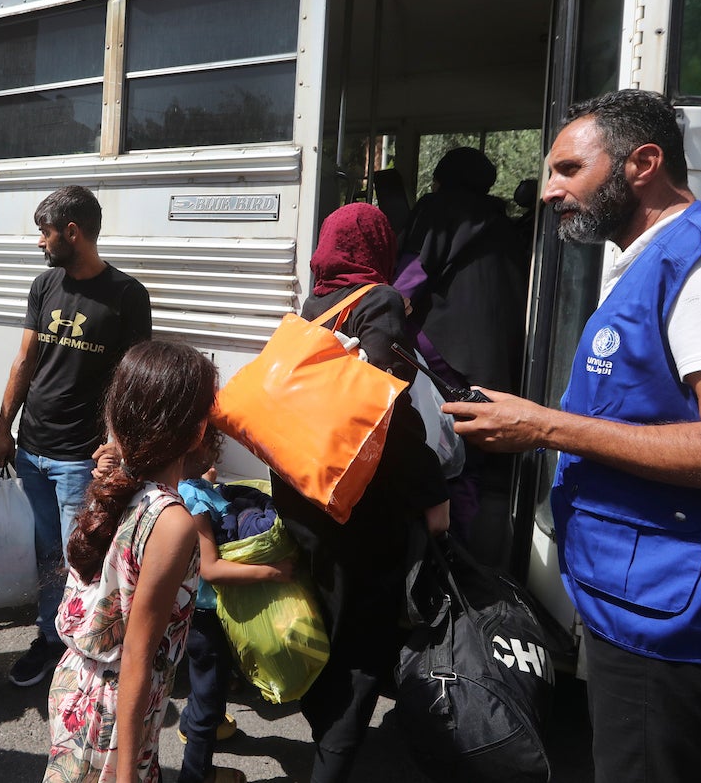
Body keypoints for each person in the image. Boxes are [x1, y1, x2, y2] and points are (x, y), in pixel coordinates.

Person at [446, 89, 701, 783]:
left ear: (642, 162)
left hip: (674, 616)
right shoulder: (656, 258)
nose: (548, 190)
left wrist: (543, 425)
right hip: (649, 597)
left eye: (567, 170)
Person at [277, 201, 450, 783]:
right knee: (361, 644)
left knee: (327, 619)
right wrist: (431, 493)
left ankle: (325, 726)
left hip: (303, 494)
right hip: (357, 508)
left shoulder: (317, 305)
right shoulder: (376, 302)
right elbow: (384, 412)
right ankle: (333, 752)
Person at [0, 185, 152, 687]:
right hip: (33, 446)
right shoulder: (44, 285)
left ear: (73, 232)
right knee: (45, 553)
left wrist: (118, 442)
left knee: (80, 557)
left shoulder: (127, 295)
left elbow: (134, 377)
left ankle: (85, 648)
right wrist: (3, 427)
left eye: (46, 232)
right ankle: (49, 638)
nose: (40, 242)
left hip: (80, 458)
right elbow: (26, 360)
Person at [44, 340, 213, 783]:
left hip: (79, 684)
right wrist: (126, 771)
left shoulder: (122, 482)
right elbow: (138, 653)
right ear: (197, 432)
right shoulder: (171, 521)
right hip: (114, 710)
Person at [395, 146, 525, 542]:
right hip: (492, 355)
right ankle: (466, 545)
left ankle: (440, 545)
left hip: (442, 348)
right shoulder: (502, 222)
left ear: (443, 178)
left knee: (441, 447)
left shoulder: (436, 209)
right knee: (471, 448)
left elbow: (410, 277)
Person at [177, 441, 291, 783]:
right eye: (211, 446)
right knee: (208, 692)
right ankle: (197, 774)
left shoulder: (190, 488)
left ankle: (194, 722)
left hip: (204, 612)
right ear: (190, 453)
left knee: (210, 676)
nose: (217, 453)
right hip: (205, 616)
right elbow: (210, 569)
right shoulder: (192, 500)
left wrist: (205, 481)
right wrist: (274, 572)